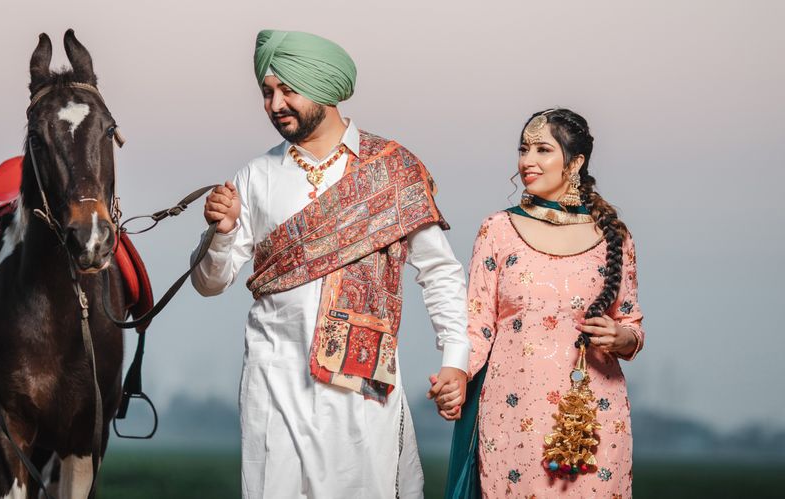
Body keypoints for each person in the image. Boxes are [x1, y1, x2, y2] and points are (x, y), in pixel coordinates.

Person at [190, 29, 471, 498]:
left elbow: (438, 271)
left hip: (360, 381)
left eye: (287, 90)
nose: (274, 103)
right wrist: (221, 234)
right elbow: (210, 283)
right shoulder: (255, 177)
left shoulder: (393, 170)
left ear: (322, 87)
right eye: (266, 92)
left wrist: (456, 360)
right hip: (273, 379)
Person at [440, 108, 644, 498]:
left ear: (576, 162)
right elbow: (478, 325)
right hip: (513, 412)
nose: (527, 161)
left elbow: (633, 326)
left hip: (593, 414)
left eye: (542, 150)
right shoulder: (499, 229)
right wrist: (456, 374)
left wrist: (621, 338)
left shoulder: (615, 236)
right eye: (523, 149)